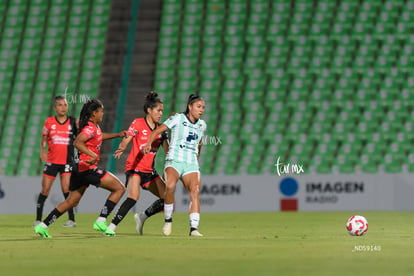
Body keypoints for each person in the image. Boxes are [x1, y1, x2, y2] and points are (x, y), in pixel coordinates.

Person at [34, 99, 126, 238]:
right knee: (119, 188)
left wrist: (117, 135)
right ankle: (101, 220)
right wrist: (93, 155)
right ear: (94, 113)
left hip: (79, 169)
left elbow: (99, 137)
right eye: (101, 111)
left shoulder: (94, 127)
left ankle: (43, 225)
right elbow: (78, 142)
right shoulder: (89, 128)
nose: (103, 114)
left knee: (71, 201)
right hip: (87, 168)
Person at [144, 94, 206, 237]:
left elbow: (200, 141)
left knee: (195, 192)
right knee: (170, 186)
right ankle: (168, 220)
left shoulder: (202, 124)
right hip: (174, 160)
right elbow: (156, 131)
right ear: (190, 107)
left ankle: (194, 229)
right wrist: (148, 144)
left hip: (190, 163)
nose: (201, 110)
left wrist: (197, 155)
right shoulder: (177, 118)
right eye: (198, 106)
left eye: (203, 107)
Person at [109, 91, 169, 235]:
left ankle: (142, 217)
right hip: (135, 168)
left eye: (162, 111)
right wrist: (122, 147)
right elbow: (127, 138)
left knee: (167, 198)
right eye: (158, 110)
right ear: (149, 110)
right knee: (133, 197)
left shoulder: (161, 130)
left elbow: (168, 151)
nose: (161, 113)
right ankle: (111, 227)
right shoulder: (138, 123)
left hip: (149, 171)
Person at [33, 96, 78, 228]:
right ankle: (38, 219)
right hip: (52, 161)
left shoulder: (73, 122)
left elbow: (81, 136)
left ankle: (71, 220)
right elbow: (43, 139)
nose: (63, 107)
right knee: (45, 190)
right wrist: (43, 151)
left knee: (66, 190)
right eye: (60, 105)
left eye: (65, 105)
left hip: (67, 162)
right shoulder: (49, 122)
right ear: (55, 108)